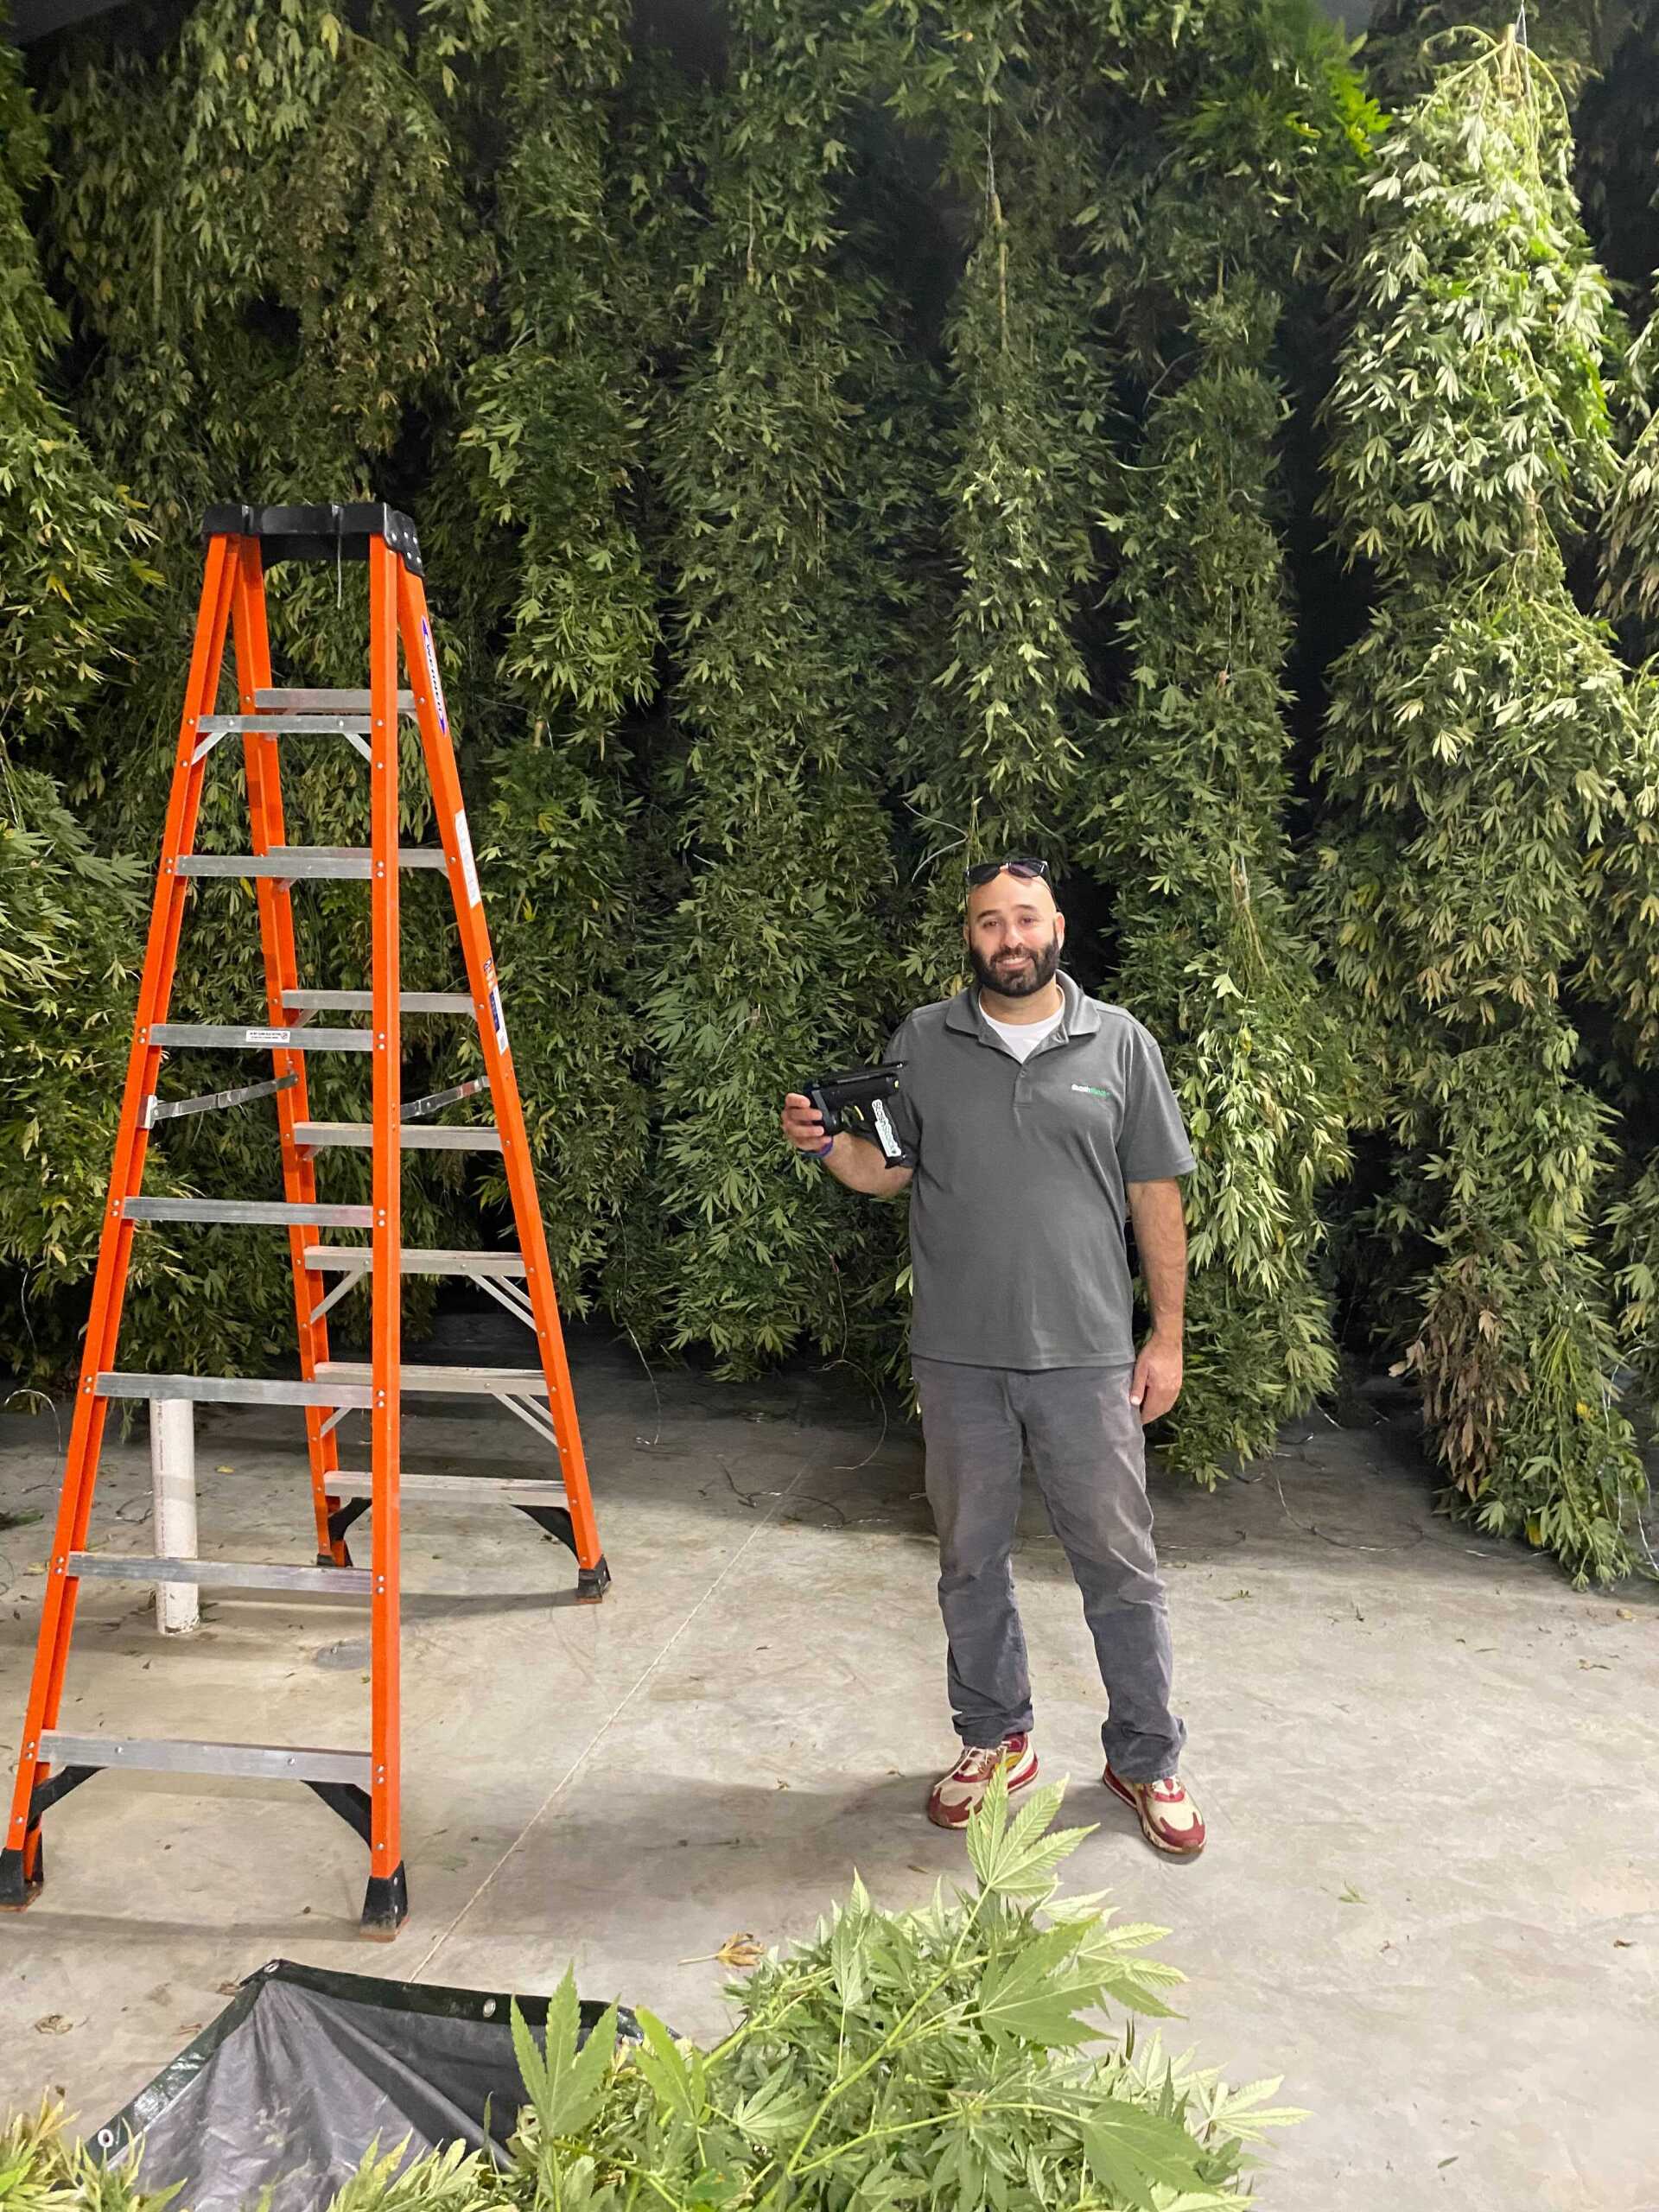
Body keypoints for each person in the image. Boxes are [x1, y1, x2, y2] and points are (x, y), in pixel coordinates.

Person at [779, 856, 1204, 1856]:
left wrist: (1167, 1338)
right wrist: (820, 1144)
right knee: (971, 1561)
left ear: (1057, 926)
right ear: (968, 937)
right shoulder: (924, 1043)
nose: (1008, 938)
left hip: (1091, 1358)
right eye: (987, 924)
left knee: (1121, 1568)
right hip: (960, 1357)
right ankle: (993, 1739)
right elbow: (885, 1170)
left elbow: (1157, 1196)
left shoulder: (1123, 1043)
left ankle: (1144, 1757)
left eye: (1024, 919)